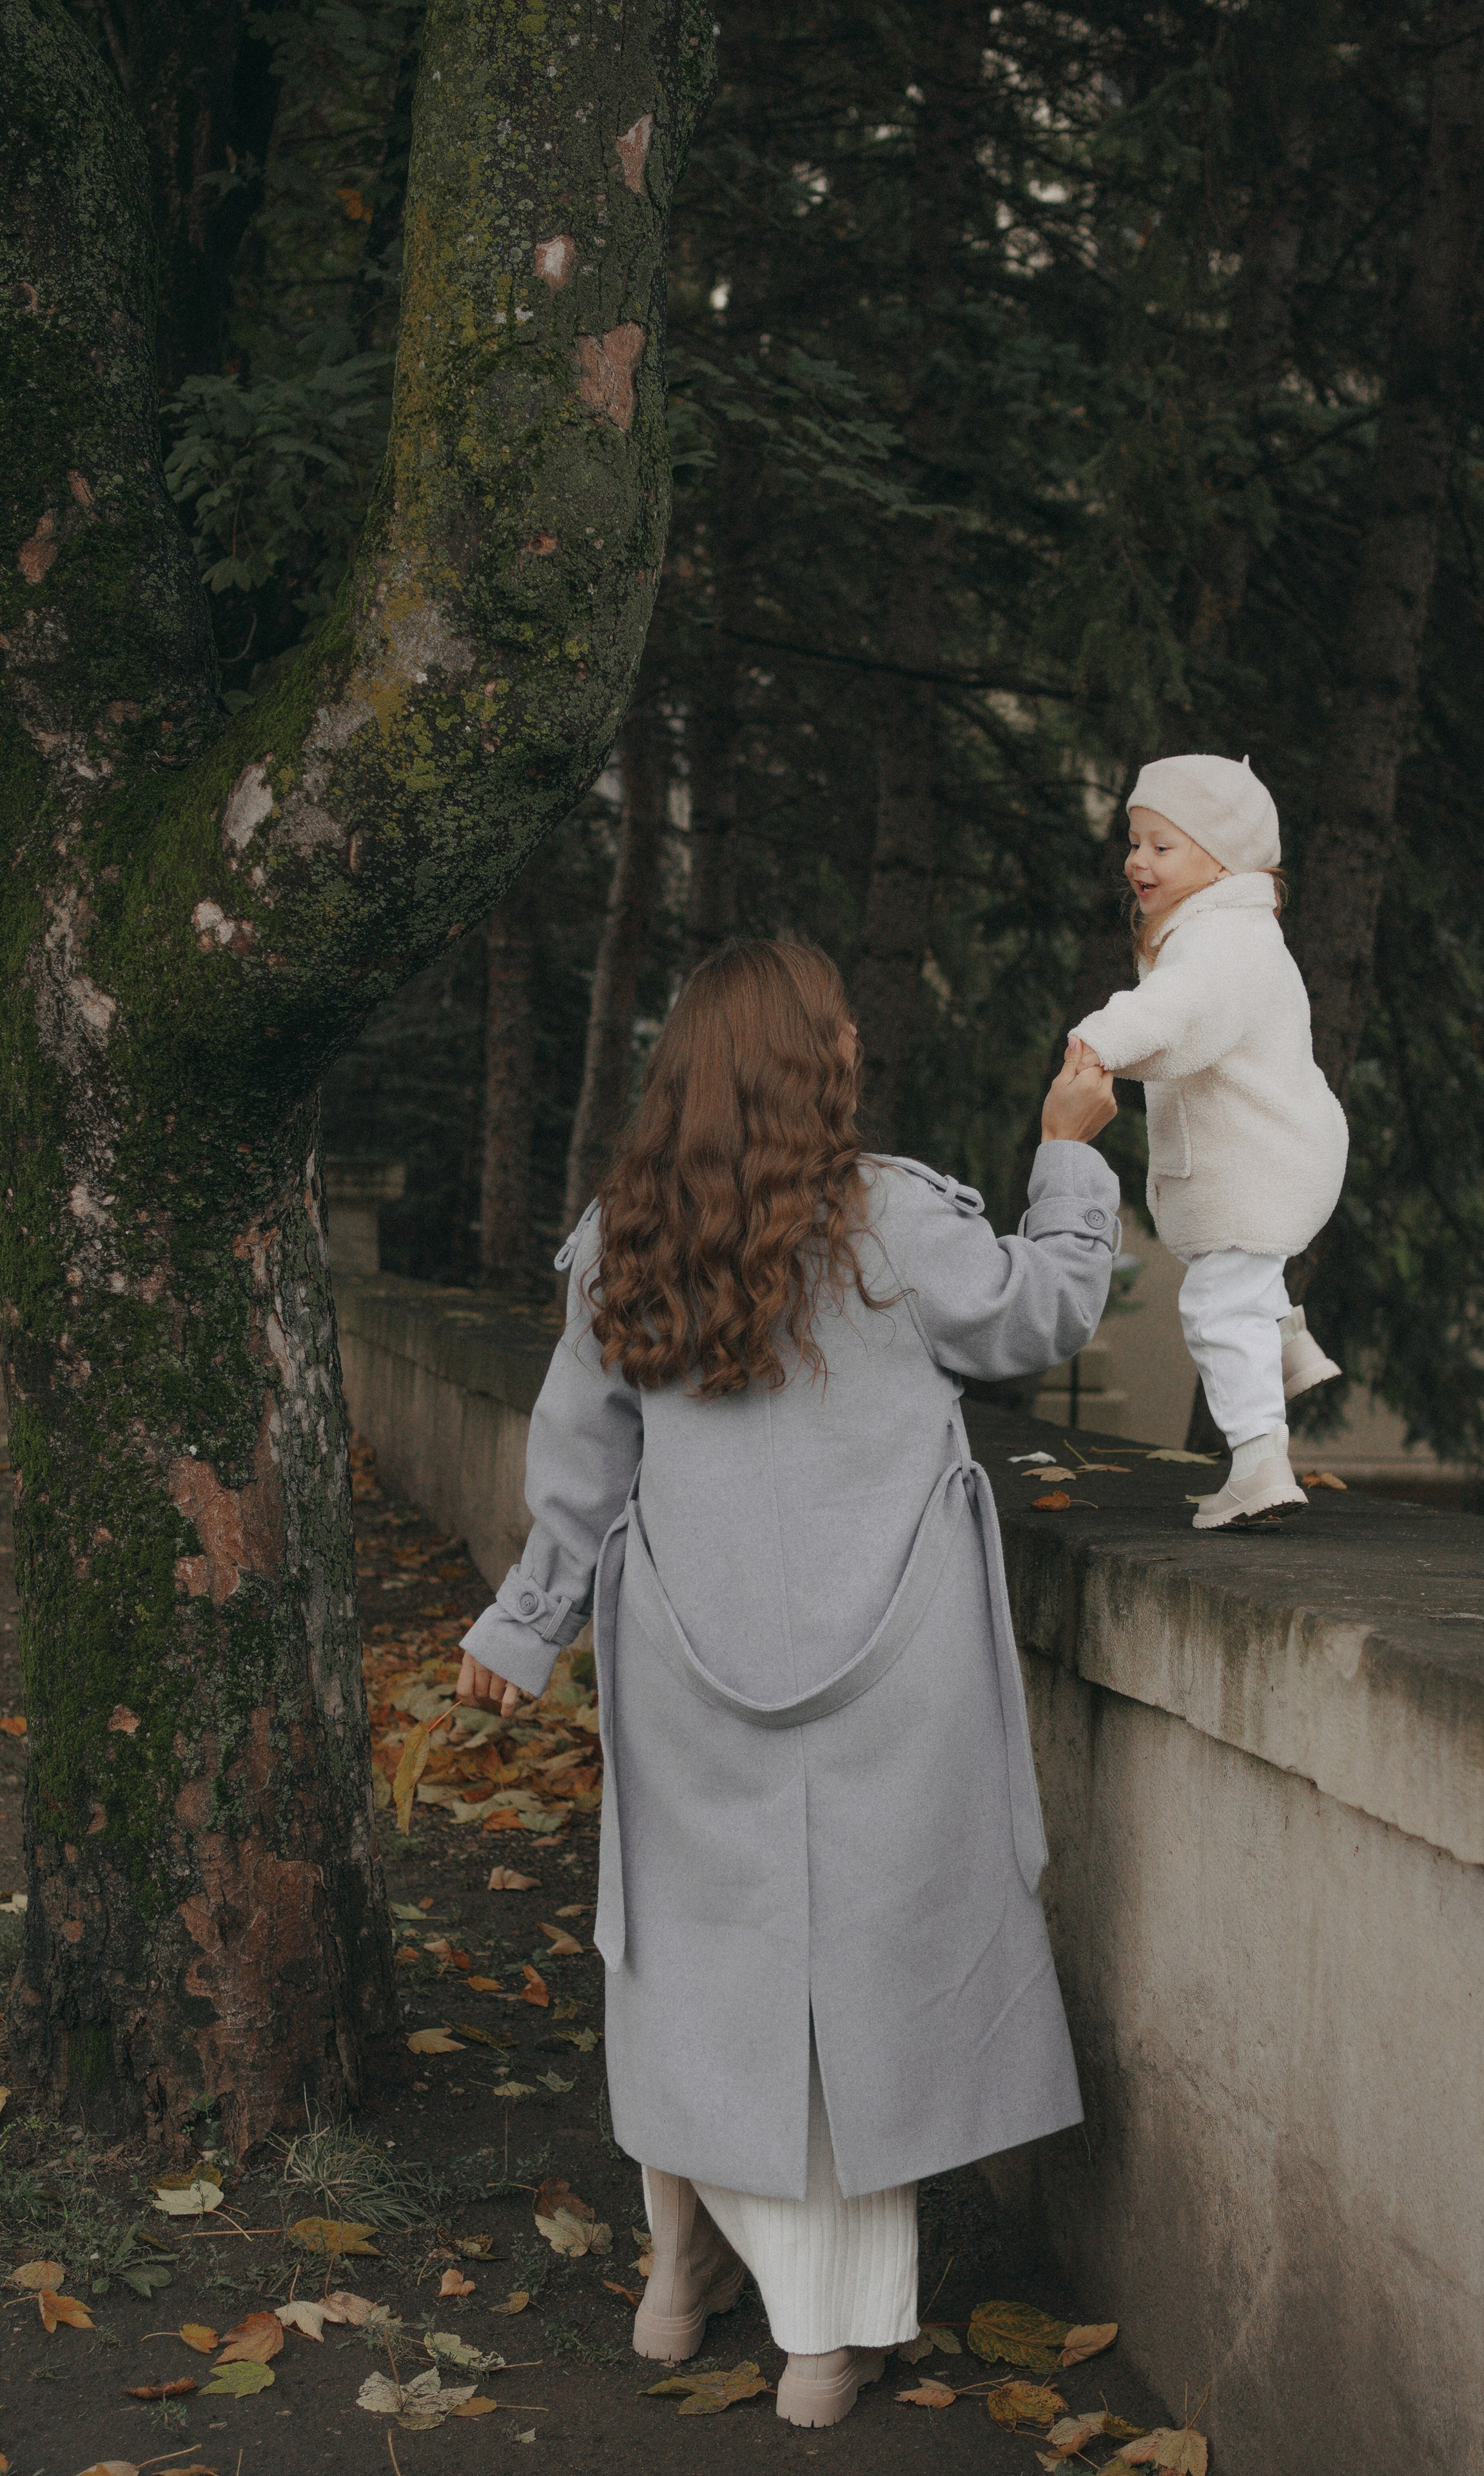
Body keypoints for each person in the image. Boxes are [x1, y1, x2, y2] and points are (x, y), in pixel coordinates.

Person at [456, 938, 1119, 2429]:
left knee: (692, 1958)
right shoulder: (893, 1223)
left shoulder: (624, 1234)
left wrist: (519, 1631)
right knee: (852, 1983)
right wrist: (1064, 1156)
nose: (855, 1038)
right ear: (813, 1057)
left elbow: (577, 1474)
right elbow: (1043, 1315)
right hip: (891, 1683)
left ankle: (675, 2282)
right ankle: (825, 2344)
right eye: (838, 1022)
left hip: (689, 1662)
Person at [1069, 753, 1347, 1531]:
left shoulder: (1219, 942)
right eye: (1134, 840)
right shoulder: (1229, 928)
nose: (1137, 860)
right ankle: (1288, 1343)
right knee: (1235, 1276)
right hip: (1283, 1148)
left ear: (1223, 857)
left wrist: (1094, 1043)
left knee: (1215, 1306)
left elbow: (1170, 1014)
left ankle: (1259, 1466)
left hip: (1260, 1159)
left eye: (1163, 844)